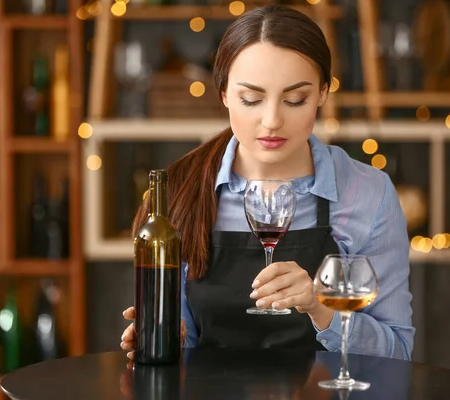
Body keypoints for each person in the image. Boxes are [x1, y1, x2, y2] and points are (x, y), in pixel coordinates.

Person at [120, 4, 414, 360]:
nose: (272, 120)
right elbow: (185, 346)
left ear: (322, 93)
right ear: (225, 93)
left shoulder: (368, 194)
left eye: (295, 100)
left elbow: (397, 354)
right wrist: (165, 343)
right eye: (251, 99)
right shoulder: (180, 190)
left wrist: (321, 309)